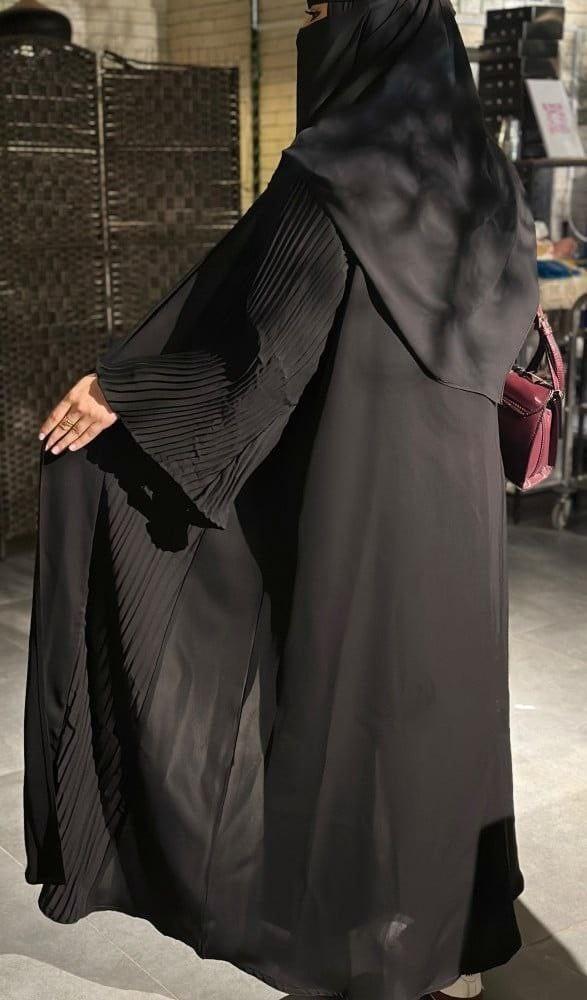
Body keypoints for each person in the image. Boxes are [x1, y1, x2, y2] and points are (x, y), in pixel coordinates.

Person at [23, 2, 539, 999]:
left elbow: (259, 366)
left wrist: (123, 393)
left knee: (356, 714)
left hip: (365, 502)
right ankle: (448, 939)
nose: (313, 23)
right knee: (440, 711)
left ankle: (364, 941)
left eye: (322, 8)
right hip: (459, 509)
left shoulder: (336, 175)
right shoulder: (487, 181)